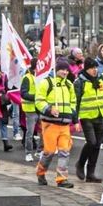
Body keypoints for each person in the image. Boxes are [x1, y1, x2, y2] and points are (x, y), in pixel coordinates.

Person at [37, 58, 77, 188]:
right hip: (50, 124)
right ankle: (40, 172)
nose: (65, 72)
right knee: (48, 151)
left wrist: (74, 118)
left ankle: (62, 179)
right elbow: (39, 101)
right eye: (62, 70)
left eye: (66, 70)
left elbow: (73, 102)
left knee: (64, 151)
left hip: (65, 125)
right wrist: (49, 109)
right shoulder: (46, 83)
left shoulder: (69, 85)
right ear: (56, 70)